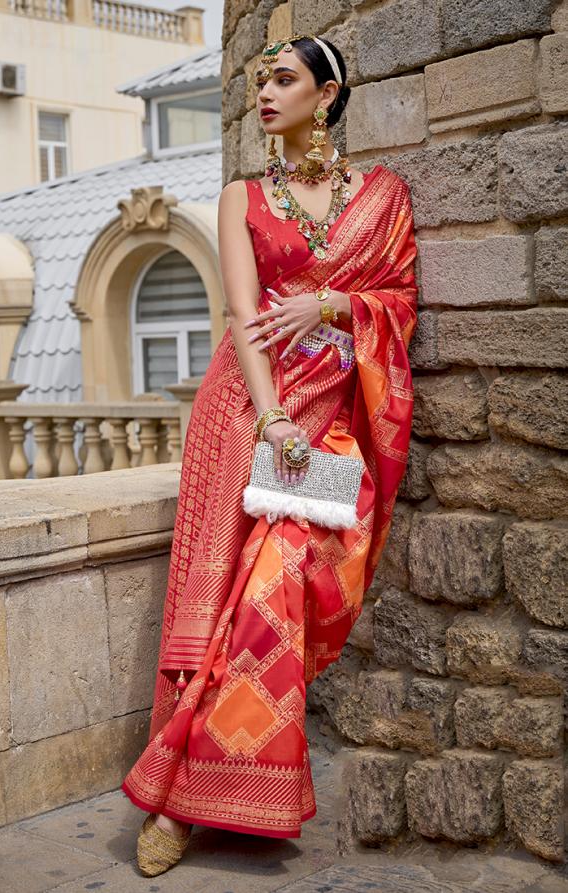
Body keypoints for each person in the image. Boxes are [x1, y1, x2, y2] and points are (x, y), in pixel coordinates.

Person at [121, 33, 419, 876]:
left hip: (337, 416)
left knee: (276, 582)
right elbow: (243, 317)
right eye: (258, 81)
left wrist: (329, 305)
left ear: (327, 94)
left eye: (283, 79)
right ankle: (178, 799)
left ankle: (210, 783)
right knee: (212, 601)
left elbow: (398, 301)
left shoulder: (383, 198)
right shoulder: (241, 196)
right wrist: (273, 417)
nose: (263, 94)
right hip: (248, 413)